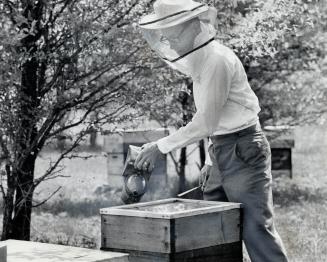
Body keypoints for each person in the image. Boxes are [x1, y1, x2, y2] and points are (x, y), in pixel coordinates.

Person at [134, 0, 289, 261]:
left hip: (244, 148)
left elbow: (206, 120)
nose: (169, 43)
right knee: (216, 230)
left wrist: (159, 147)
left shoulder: (216, 61)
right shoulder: (202, 61)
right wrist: (210, 158)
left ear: (192, 28)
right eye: (166, 37)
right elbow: (214, 118)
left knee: (255, 230)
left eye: (172, 36)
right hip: (222, 148)